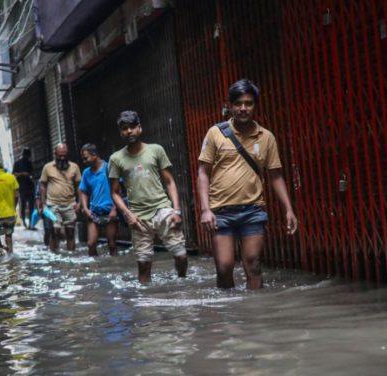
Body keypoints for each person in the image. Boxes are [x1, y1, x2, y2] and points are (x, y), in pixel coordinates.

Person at [197, 79, 298, 289]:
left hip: (252, 210)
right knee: (224, 267)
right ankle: (228, 314)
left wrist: (289, 209)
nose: (243, 108)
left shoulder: (266, 137)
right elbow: (203, 173)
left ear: (255, 105)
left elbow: (276, 176)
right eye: (238, 103)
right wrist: (206, 209)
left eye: (249, 103)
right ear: (231, 105)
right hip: (221, 211)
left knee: (253, 265)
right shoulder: (216, 133)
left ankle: (256, 314)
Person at [109, 110, 188, 284]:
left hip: (163, 209)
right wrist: (127, 213)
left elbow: (170, 182)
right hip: (138, 216)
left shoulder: (156, 150)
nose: (129, 131)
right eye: (124, 129)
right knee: (143, 265)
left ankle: (182, 284)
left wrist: (176, 210)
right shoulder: (116, 158)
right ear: (121, 132)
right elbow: (114, 192)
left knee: (181, 255)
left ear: (140, 128)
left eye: (132, 127)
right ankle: (146, 303)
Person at [38, 143, 81, 251]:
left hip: (70, 204)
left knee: (70, 233)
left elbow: (79, 186)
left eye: (64, 155)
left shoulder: (74, 167)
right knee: (55, 231)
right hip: (53, 204)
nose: (62, 158)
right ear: (55, 154)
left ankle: (71, 257)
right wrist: (43, 204)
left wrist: (80, 203)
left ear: (68, 155)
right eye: (59, 155)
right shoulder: (47, 167)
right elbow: (42, 186)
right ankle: (54, 256)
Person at [79, 143, 118, 257]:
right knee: (91, 244)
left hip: (109, 210)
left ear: (94, 155)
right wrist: (85, 208)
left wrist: (115, 209)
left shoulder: (108, 168)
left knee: (112, 244)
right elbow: (83, 191)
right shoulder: (86, 173)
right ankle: (95, 269)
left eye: (86, 158)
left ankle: (115, 266)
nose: (84, 161)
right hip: (94, 212)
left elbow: (118, 189)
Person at [0, 158, 20, 255]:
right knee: (8, 235)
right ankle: (10, 254)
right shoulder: (11, 178)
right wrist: (13, 207)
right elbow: (16, 196)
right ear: (2, 166)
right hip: (9, 213)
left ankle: (1, 252)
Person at [13, 147, 35, 229]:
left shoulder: (30, 163)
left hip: (30, 186)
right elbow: (14, 174)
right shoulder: (17, 163)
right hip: (22, 186)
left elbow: (33, 173)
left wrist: (29, 175)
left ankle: (30, 223)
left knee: (31, 205)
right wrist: (23, 174)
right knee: (23, 204)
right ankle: (25, 222)